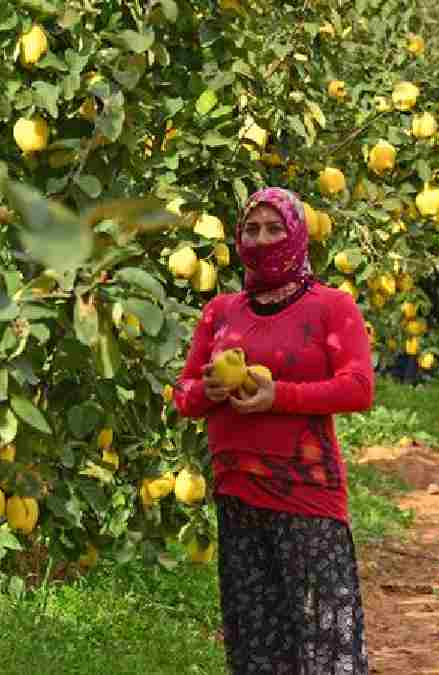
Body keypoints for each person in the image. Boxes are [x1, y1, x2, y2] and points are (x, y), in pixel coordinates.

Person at [173, 187, 374, 674]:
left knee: (322, 636)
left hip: (306, 493)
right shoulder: (221, 312)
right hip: (238, 493)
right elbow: (184, 395)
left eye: (274, 228)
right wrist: (211, 391)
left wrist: (277, 395)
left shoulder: (331, 306)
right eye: (251, 229)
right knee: (257, 639)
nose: (261, 240)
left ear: (298, 234)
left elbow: (358, 388)